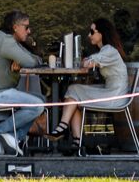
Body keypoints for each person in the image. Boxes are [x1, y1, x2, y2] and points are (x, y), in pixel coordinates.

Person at [0, 10, 47, 155]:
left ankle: (11, 137)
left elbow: (33, 58)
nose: (29, 31)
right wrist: (31, 60)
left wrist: (23, 65)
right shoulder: (5, 41)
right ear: (15, 27)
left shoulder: (9, 40)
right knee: (37, 105)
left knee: (41, 100)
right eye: (26, 27)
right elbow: (30, 61)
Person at [47, 18, 130, 151]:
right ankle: (75, 141)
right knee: (74, 95)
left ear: (101, 33)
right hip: (112, 92)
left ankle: (63, 127)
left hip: (115, 96)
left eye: (92, 32)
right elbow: (88, 61)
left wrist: (86, 61)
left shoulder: (109, 50)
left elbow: (88, 63)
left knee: (73, 90)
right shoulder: (106, 50)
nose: (89, 35)